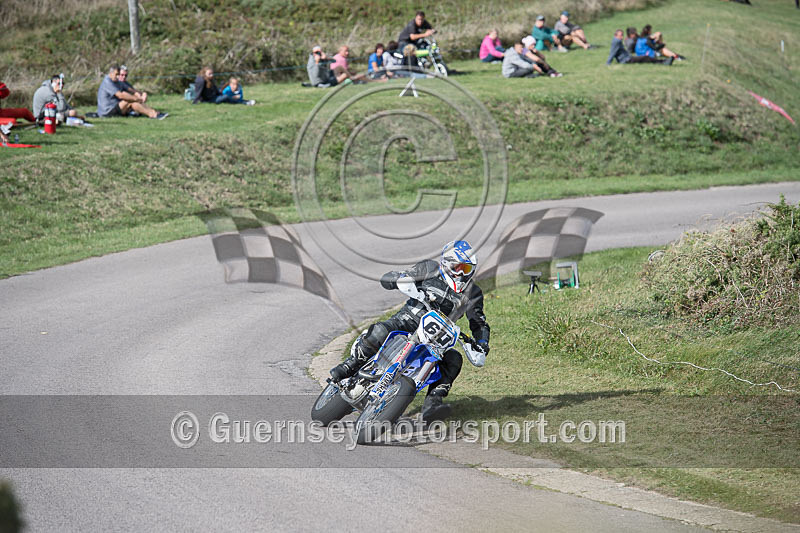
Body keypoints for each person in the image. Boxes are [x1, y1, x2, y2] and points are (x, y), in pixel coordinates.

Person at [329, 240, 490, 422]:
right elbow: (401, 276)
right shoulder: (429, 268)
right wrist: (398, 279)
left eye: (466, 269)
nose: (461, 274)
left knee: (454, 358)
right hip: (406, 321)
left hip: (436, 339)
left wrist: (482, 343)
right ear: (446, 263)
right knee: (380, 331)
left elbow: (479, 323)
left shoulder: (473, 292)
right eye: (458, 267)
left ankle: (433, 404)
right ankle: (350, 365)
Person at [97, 65, 167, 119]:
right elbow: (120, 95)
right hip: (107, 112)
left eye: (119, 74)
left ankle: (154, 112)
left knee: (132, 99)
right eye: (116, 74)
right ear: (111, 73)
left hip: (115, 107)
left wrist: (142, 94)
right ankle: (153, 114)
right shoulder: (108, 82)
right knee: (129, 100)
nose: (118, 76)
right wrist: (136, 99)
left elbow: (131, 90)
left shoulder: (117, 81)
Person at [607, 30, 673, 65]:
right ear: (615, 35)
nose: (622, 37)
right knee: (645, 58)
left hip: (628, 58)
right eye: (620, 35)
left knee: (645, 58)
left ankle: (664, 61)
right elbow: (612, 52)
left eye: (622, 35)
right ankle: (663, 62)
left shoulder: (616, 41)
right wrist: (608, 63)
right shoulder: (616, 41)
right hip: (626, 60)